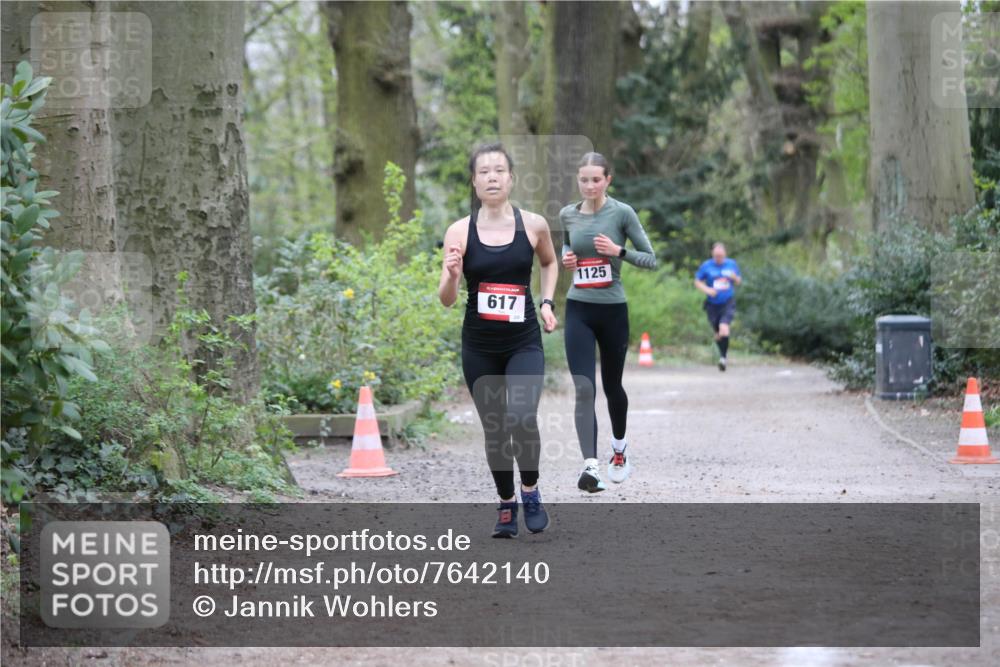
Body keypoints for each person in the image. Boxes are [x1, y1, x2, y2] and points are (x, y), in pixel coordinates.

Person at [439, 142, 559, 537]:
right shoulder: (459, 230)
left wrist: (545, 302)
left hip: (523, 340)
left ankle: (530, 490)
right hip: (479, 345)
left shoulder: (534, 225)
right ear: (474, 182)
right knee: (495, 428)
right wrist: (453, 275)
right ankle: (506, 502)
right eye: (484, 171)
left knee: (522, 419)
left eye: (499, 170)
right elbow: (446, 299)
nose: (492, 177)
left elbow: (548, 262)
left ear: (510, 178)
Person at [560, 152, 658, 493]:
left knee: (612, 386)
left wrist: (619, 252)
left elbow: (651, 259)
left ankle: (619, 450)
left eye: (596, 180)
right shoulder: (567, 214)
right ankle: (590, 466)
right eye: (584, 179)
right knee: (584, 388)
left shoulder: (622, 213)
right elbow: (565, 247)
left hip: (613, 310)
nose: (589, 185)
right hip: (578, 309)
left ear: (608, 180)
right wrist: (566, 258)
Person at [694, 242, 742, 371]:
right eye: (716, 256)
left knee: (724, 328)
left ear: (725, 254)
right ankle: (722, 356)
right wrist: (707, 290)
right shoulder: (706, 266)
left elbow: (738, 281)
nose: (719, 258)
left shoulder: (731, 264)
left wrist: (734, 277)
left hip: (727, 302)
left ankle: (723, 358)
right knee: (718, 334)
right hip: (712, 304)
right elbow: (697, 281)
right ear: (713, 255)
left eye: (721, 256)